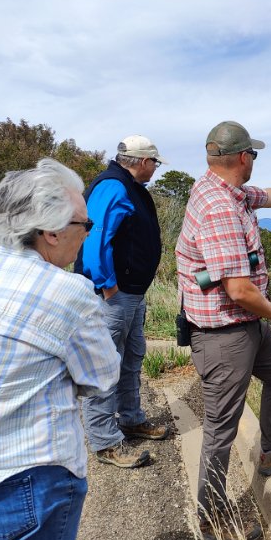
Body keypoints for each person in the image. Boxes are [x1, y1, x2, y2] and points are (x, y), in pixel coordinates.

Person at [0, 159, 120, 540]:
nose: (88, 235)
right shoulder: (69, 293)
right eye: (85, 225)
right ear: (51, 232)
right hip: (21, 479)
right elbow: (102, 378)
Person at [176, 121, 271, 540]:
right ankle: (210, 519)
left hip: (243, 328)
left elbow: (270, 196)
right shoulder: (221, 208)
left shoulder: (228, 190)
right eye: (254, 154)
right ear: (243, 157)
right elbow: (238, 289)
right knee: (220, 431)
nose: (256, 160)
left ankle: (269, 451)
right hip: (225, 335)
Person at [75, 135, 171, 469]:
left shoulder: (127, 186)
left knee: (131, 360)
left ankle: (131, 419)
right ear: (143, 161)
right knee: (105, 366)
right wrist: (108, 286)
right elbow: (95, 237)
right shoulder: (113, 187)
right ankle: (104, 442)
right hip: (114, 295)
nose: (155, 170)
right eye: (155, 163)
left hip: (131, 294)